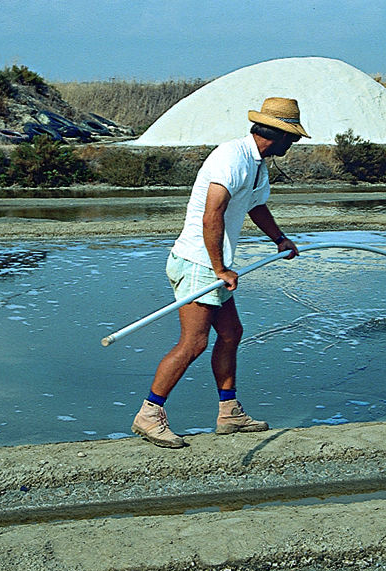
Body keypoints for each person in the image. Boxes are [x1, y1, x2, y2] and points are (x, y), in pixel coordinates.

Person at [131, 97, 309, 448]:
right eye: (292, 137)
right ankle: (149, 414)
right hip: (199, 263)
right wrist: (219, 268)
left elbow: (256, 206)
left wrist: (280, 239)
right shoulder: (232, 158)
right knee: (194, 343)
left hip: (210, 264)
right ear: (277, 134)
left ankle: (229, 412)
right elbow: (211, 215)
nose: (294, 143)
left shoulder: (258, 164)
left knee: (230, 333)